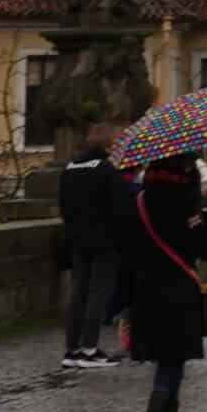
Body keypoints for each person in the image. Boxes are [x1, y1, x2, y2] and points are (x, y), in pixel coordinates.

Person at [121, 152, 207, 412]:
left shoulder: (139, 200)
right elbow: (206, 248)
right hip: (176, 294)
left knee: (172, 369)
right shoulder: (183, 203)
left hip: (145, 294)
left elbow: (128, 250)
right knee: (168, 372)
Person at [59, 121, 131, 368]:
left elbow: (64, 206)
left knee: (78, 292)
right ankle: (90, 349)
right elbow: (120, 209)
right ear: (109, 144)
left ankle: (72, 350)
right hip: (104, 241)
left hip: (77, 240)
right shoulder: (106, 170)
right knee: (97, 294)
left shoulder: (70, 167)